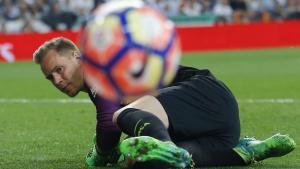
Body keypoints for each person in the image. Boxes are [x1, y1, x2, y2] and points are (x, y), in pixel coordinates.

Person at [33, 37, 296, 169]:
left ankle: (168, 146)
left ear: (78, 56)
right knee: (141, 159)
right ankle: (249, 149)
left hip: (201, 91)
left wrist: (100, 154)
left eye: (59, 69)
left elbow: (109, 124)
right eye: (50, 77)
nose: (57, 79)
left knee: (122, 117)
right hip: (216, 129)